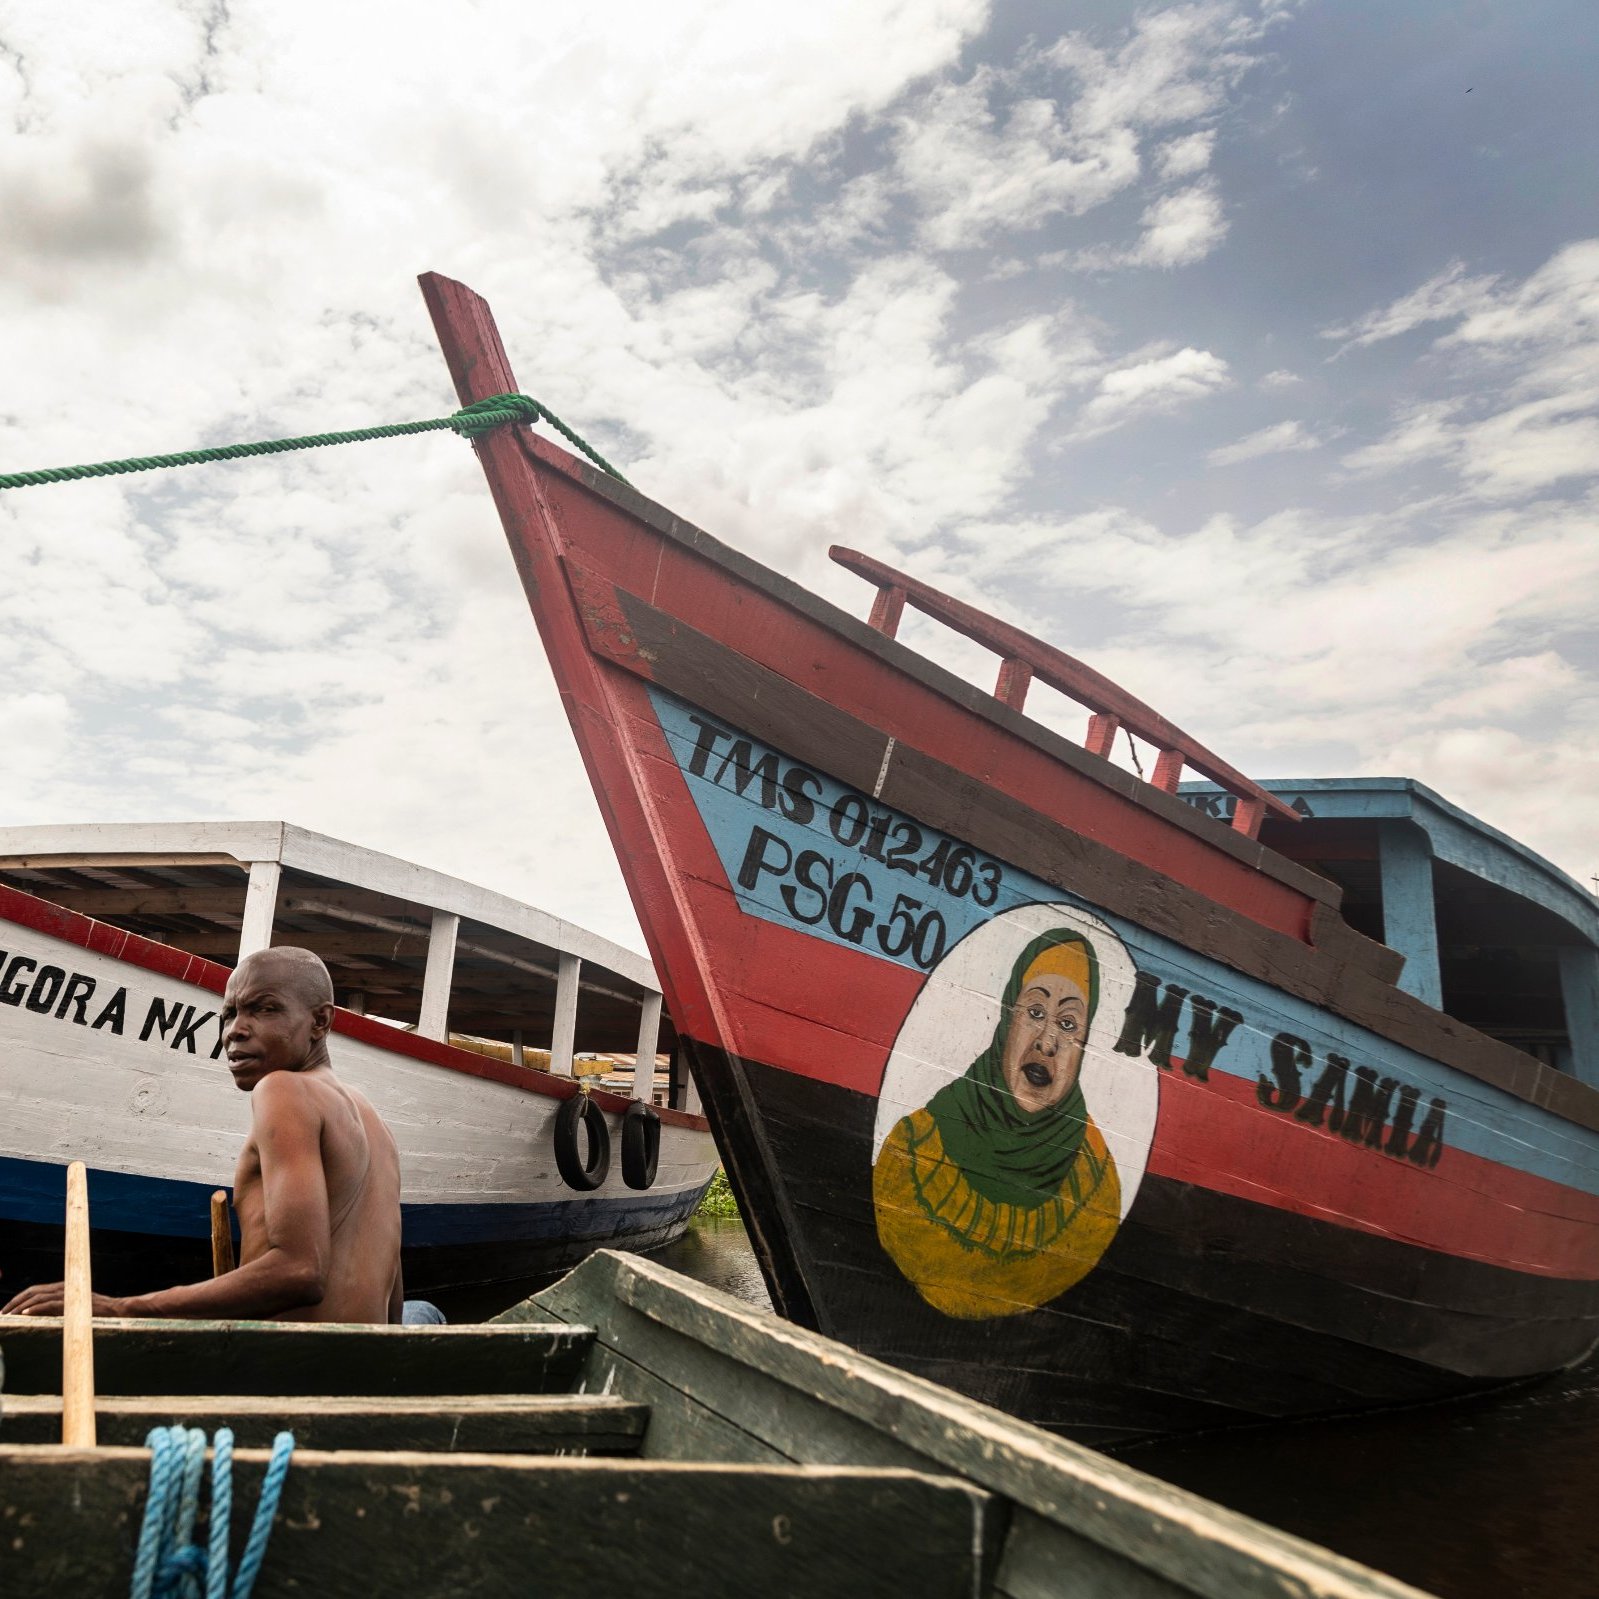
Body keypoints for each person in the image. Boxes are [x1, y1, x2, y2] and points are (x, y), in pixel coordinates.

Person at [2, 946, 405, 1324]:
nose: (235, 1031)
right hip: (369, 1373)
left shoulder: (283, 1088)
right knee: (424, 1312)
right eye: (228, 1015)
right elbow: (393, 1305)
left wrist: (119, 1307)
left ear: (320, 1021)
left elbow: (301, 1271)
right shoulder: (378, 1128)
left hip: (289, 1372)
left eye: (264, 1009)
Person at [872, 927, 1121, 1321]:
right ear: (1007, 1018)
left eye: (1069, 1024)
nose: (1047, 1042)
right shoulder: (916, 1149)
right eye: (1035, 1013)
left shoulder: (1095, 1184)